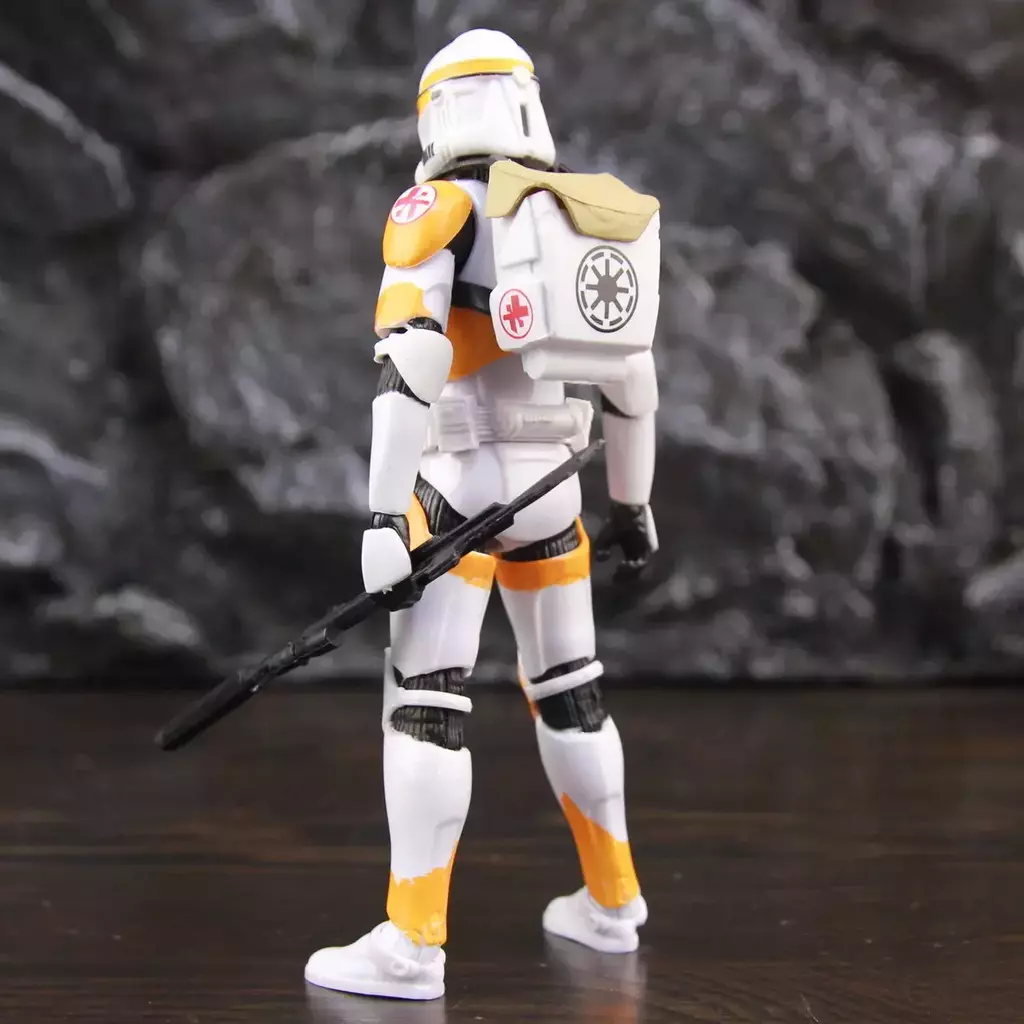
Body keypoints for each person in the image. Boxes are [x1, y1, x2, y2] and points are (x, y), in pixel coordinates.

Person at [304, 27, 661, 1001]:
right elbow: (633, 378)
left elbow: (411, 359)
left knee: (425, 702)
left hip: (454, 488)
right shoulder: (582, 209)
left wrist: (383, 518)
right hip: (554, 491)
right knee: (572, 688)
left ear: (436, 114)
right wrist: (631, 504)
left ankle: (412, 943)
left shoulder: (437, 209)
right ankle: (614, 902)